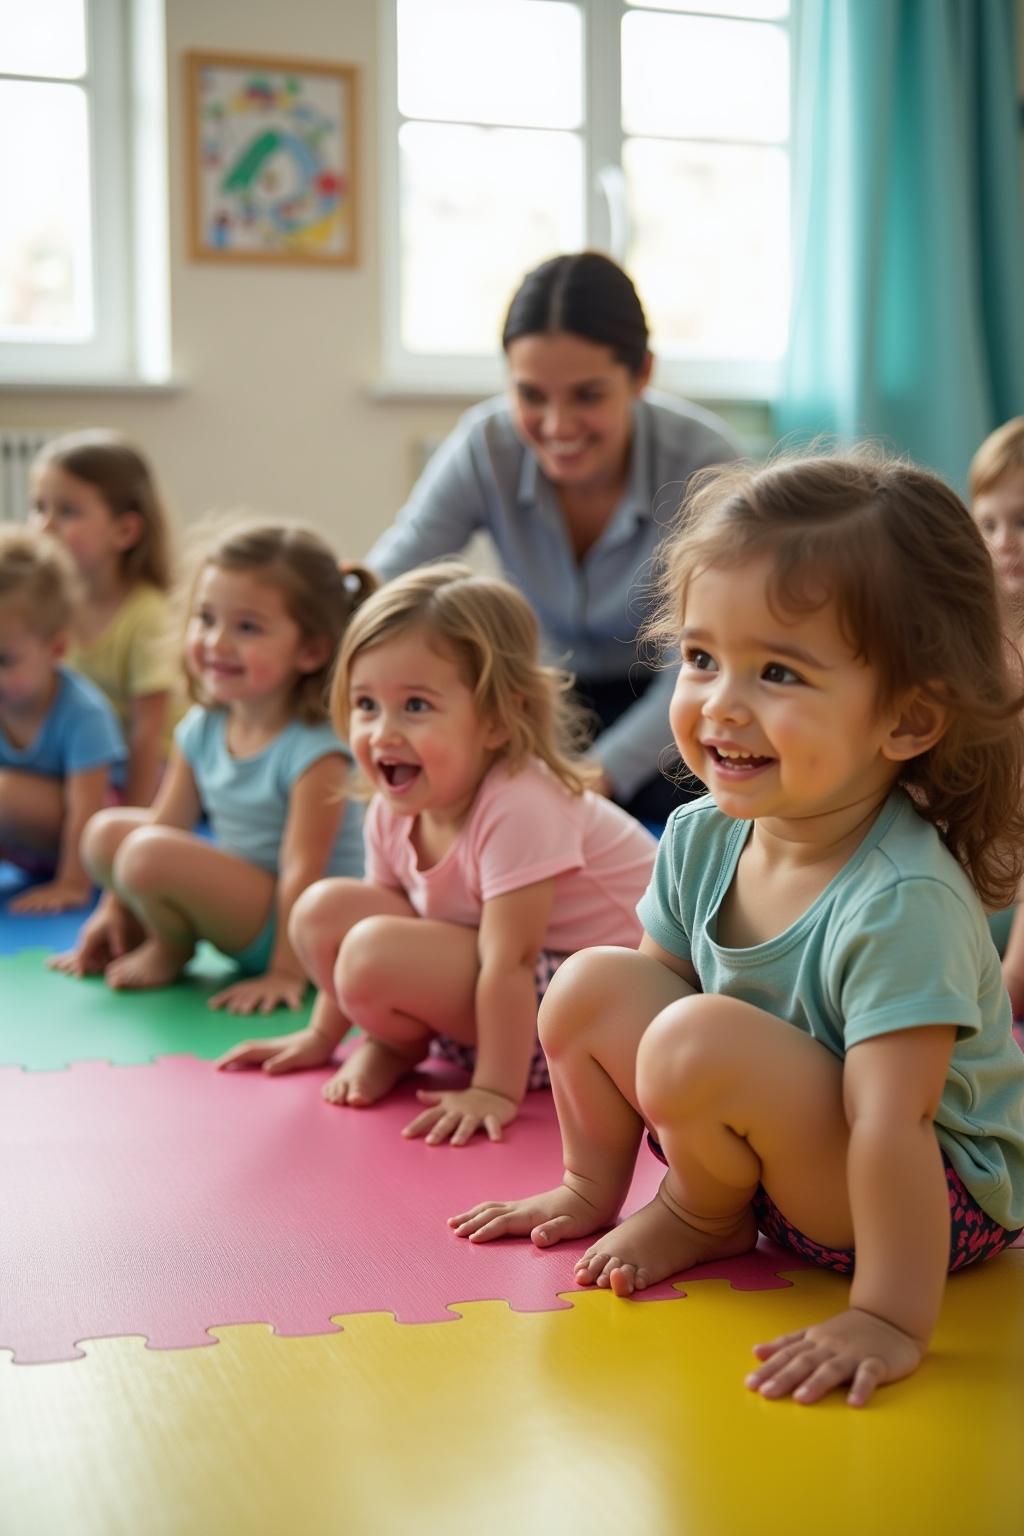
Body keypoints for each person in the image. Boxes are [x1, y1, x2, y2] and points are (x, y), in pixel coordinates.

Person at [451, 452, 1024, 1407]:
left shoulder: (901, 898)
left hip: (933, 1199)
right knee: (593, 985)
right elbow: (642, 1017)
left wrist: (887, 1314)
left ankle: (721, 1217)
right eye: (703, 658)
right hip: (776, 1169)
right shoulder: (701, 835)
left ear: (908, 719)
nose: (720, 702)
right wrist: (613, 1178)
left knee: (693, 1035)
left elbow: (895, 1120)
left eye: (780, 672)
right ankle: (662, 1206)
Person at [219, 562, 659, 1144]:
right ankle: (392, 1042)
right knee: (323, 910)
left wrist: (493, 1090)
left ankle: (455, 1060)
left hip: (597, 1021)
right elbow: (389, 915)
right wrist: (322, 1038)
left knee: (372, 952)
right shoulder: (396, 800)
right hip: (503, 994)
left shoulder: (520, 804)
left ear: (500, 719)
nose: (382, 733)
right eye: (366, 705)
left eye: (416, 706)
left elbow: (512, 962)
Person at [366, 252, 739, 823]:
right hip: (542, 695)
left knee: (713, 811)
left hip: (675, 701)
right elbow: (391, 579)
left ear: (641, 374)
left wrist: (597, 776)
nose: (558, 426)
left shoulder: (704, 464)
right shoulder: (485, 446)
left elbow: (709, 662)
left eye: (587, 396)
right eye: (531, 396)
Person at [51, 522, 372, 1014]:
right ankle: (132, 933)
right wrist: (110, 909)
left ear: (311, 650)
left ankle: (171, 947)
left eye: (247, 627)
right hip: (247, 903)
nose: (216, 642)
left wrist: (285, 972)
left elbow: (302, 869)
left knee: (147, 854)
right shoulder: (204, 726)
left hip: (299, 930)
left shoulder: (316, 751)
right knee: (107, 833)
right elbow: (166, 823)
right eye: (206, 618)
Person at [30, 430, 180, 807]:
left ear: (125, 530)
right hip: (76, 762)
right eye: (39, 507)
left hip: (134, 775)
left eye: (67, 512)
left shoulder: (146, 617)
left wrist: (132, 825)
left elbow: (148, 736)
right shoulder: (44, 608)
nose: (45, 526)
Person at [0, 527, 125, 913]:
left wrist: (73, 884)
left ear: (56, 648)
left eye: (5, 661)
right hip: (25, 847)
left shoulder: (84, 713)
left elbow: (87, 808)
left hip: (86, 840)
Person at [969, 417, 1024, 1017]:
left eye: (1023, 522)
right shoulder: (979, 632)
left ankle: (1009, 988)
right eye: (988, 524)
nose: (1004, 540)